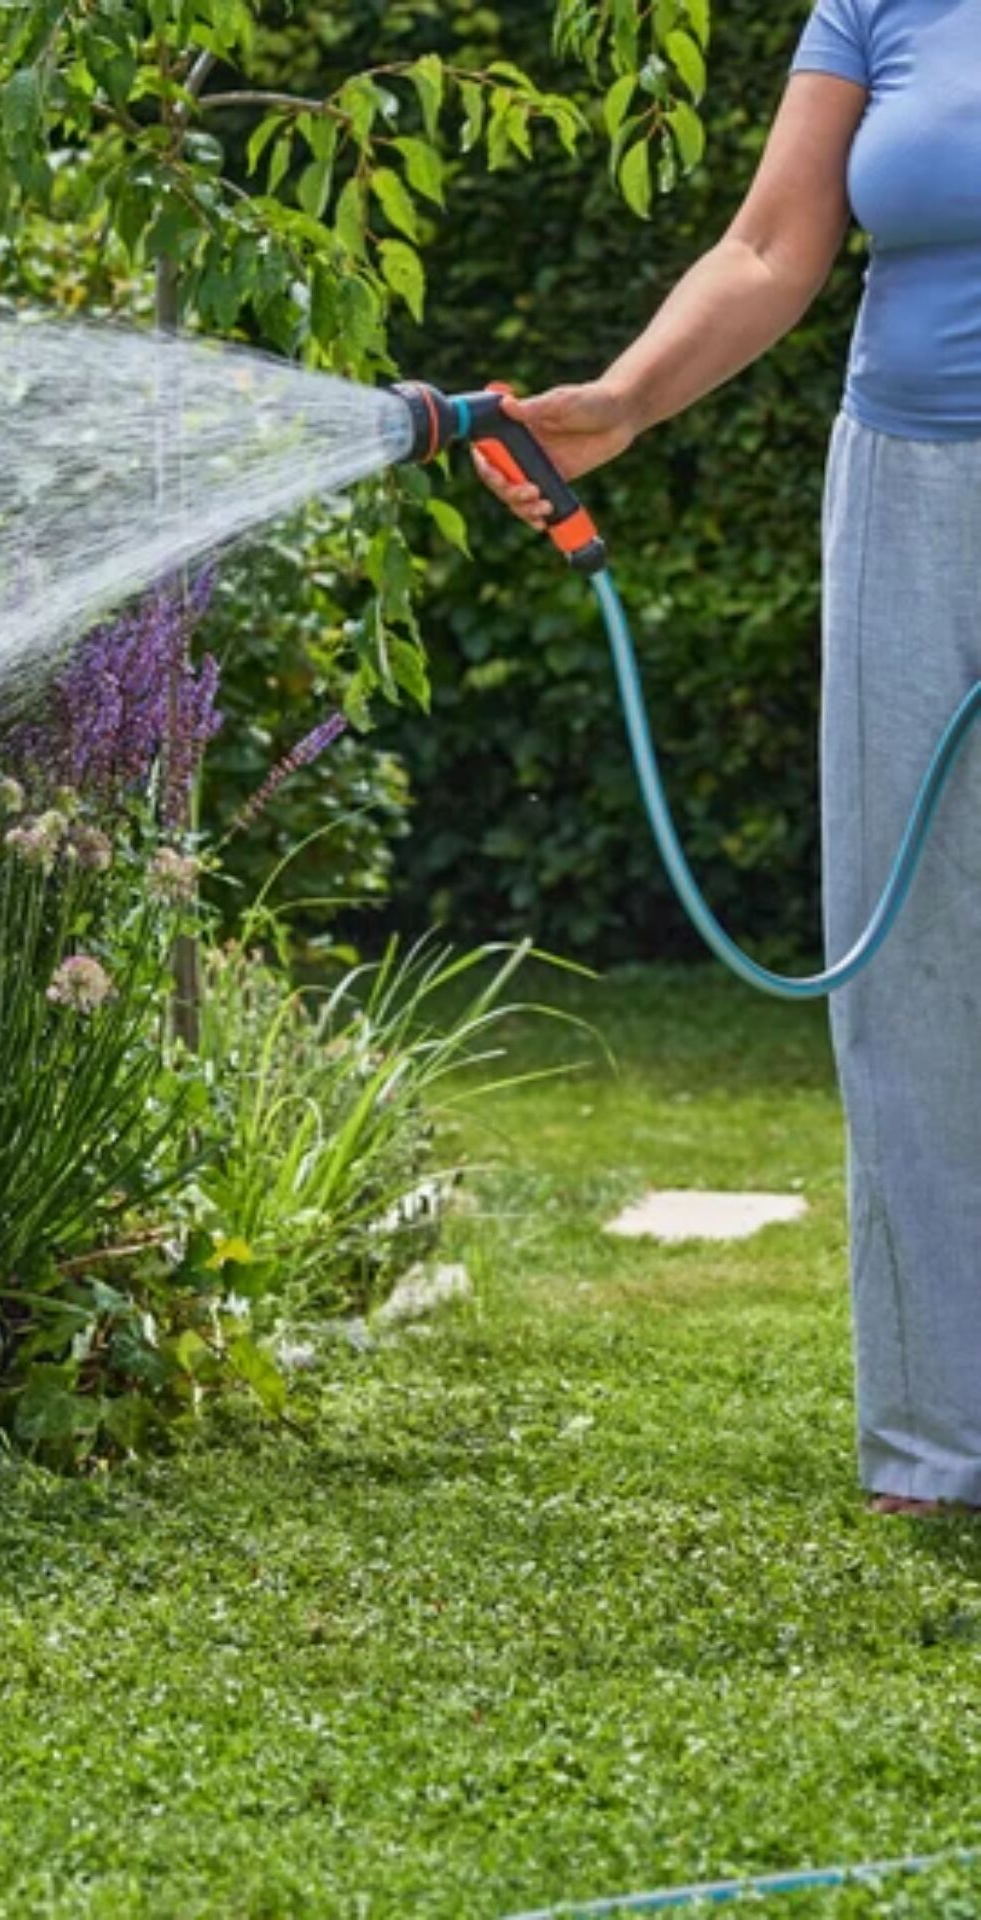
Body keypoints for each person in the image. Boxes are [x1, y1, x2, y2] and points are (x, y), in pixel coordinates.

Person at [477, 0, 981, 1516]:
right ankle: (940, 1440)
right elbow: (770, 246)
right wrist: (623, 401)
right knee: (912, 974)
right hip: (905, 486)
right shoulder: (881, 4)